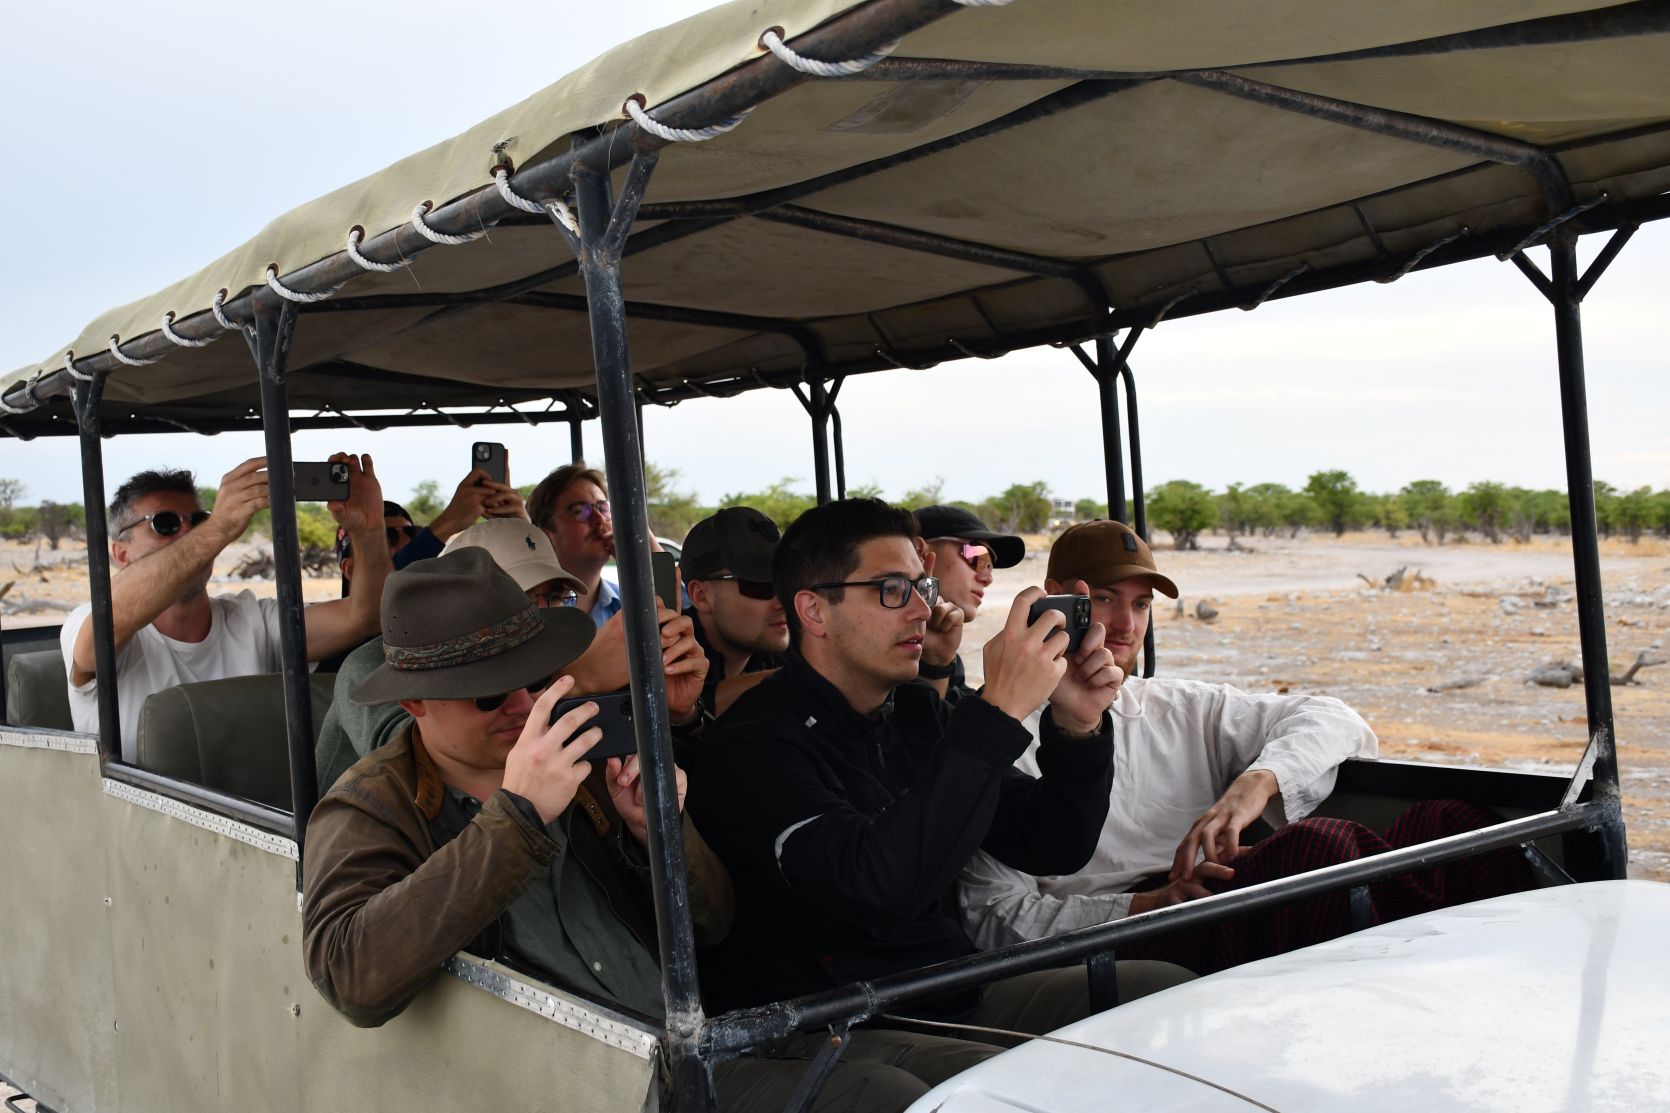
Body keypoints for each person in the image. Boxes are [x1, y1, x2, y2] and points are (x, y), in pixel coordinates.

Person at [303, 548, 949, 1113]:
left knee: (945, 1072)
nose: (524, 708)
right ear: (414, 702)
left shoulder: (585, 758)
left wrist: (659, 832)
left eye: (536, 680)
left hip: (686, 1045)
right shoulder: (375, 805)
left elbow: (713, 922)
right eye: (488, 695)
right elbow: (350, 977)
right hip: (578, 1081)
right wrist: (516, 816)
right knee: (883, 1097)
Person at [688, 499, 1192, 1093]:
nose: (922, 609)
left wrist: (1076, 727)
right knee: (996, 1092)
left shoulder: (913, 715)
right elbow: (876, 890)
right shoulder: (751, 747)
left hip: (945, 989)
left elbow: (1054, 842)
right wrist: (997, 712)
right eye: (892, 590)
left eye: (922, 587)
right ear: (814, 610)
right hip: (826, 1022)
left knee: (1166, 994)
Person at [958, 519, 1534, 974]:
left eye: (1141, 605)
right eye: (1105, 600)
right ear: (1056, 602)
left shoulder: (1177, 706)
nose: (1128, 625)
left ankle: (1492, 966)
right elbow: (990, 914)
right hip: (1125, 931)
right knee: (1314, 850)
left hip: (1212, 894)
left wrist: (1256, 783)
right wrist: (1144, 906)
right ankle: (1447, 963)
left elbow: (1333, 718)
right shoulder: (1003, 729)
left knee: (1450, 821)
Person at [313, 517, 701, 793]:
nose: (543, 614)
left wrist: (679, 716)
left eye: (555, 596)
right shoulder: (373, 665)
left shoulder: (561, 660)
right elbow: (427, 756)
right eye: (522, 599)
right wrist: (577, 681)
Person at [62, 455, 391, 761]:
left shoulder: (251, 620)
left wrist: (369, 529)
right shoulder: (86, 622)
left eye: (198, 520)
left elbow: (364, 617)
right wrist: (217, 528)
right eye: (165, 524)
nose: (188, 532)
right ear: (121, 554)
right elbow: (113, 617)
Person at [679, 507, 788, 716]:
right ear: (701, 595)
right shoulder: (662, 658)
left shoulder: (783, 651)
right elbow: (677, 710)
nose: (782, 602)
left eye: (787, 583)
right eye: (760, 585)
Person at [912, 505, 1025, 704]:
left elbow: (951, 714)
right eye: (977, 557)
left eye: (989, 564)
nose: (987, 578)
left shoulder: (948, 654)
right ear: (920, 552)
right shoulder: (879, 648)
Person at [528, 461, 619, 628]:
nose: (599, 519)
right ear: (545, 535)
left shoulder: (630, 601)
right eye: (579, 511)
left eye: (603, 508)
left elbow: (675, 602)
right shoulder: (525, 612)